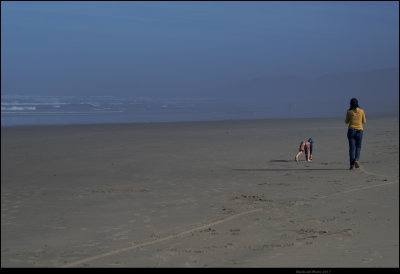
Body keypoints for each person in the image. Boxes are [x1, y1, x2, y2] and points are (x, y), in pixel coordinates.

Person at [345, 98, 366, 170]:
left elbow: (346, 121)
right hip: (359, 130)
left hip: (351, 130)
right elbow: (364, 121)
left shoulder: (349, 111)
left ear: (350, 104)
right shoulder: (361, 111)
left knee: (351, 149)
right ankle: (356, 159)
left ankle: (351, 165)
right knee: (358, 147)